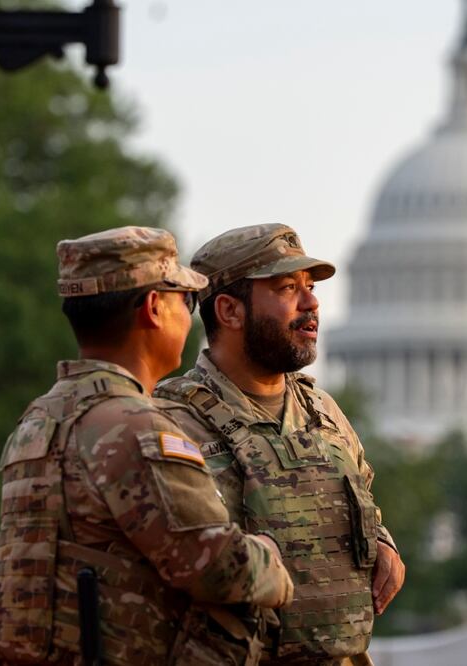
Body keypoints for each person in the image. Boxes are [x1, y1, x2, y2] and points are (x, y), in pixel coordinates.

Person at [0, 226, 294, 665]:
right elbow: (215, 567)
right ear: (153, 307)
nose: (190, 318)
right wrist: (271, 559)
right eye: (185, 301)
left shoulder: (38, 419)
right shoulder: (136, 427)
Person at [154, 223, 405, 665]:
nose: (312, 303)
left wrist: (382, 544)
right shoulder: (171, 423)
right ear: (230, 312)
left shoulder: (324, 412)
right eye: (288, 288)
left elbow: (362, 499)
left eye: (309, 287)